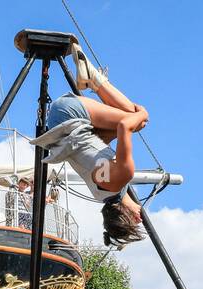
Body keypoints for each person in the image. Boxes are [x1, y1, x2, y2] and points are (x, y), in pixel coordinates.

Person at [27, 43, 148, 248]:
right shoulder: (103, 193)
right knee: (135, 122)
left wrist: (142, 113)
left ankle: (93, 79)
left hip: (70, 114)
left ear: (124, 212)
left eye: (136, 221)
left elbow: (123, 126)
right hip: (64, 126)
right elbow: (95, 148)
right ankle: (92, 80)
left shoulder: (122, 177)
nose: (141, 218)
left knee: (139, 119)